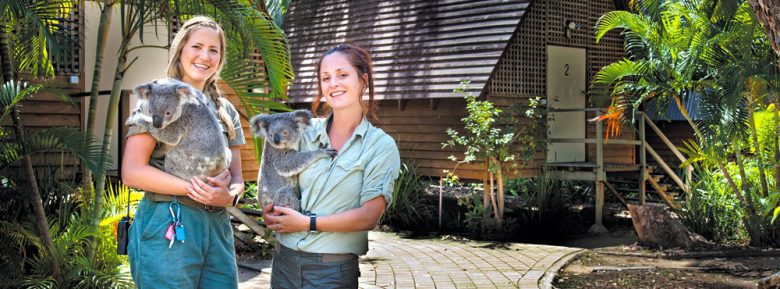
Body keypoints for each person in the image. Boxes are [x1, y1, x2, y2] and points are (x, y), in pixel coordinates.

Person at [262, 44, 401, 288]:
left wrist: (308, 223)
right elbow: (275, 169)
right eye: (326, 78)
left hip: (332, 272)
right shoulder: (302, 132)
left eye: (342, 75)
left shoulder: (380, 146)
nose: (333, 83)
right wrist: (270, 209)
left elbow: (369, 217)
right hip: (284, 263)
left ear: (363, 80)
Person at [121, 16, 245, 289]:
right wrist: (194, 188)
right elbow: (132, 172)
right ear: (181, 50)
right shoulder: (154, 98)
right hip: (169, 218)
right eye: (197, 46)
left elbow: (237, 178)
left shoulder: (226, 112)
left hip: (217, 226)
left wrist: (230, 197)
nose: (205, 56)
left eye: (214, 50)